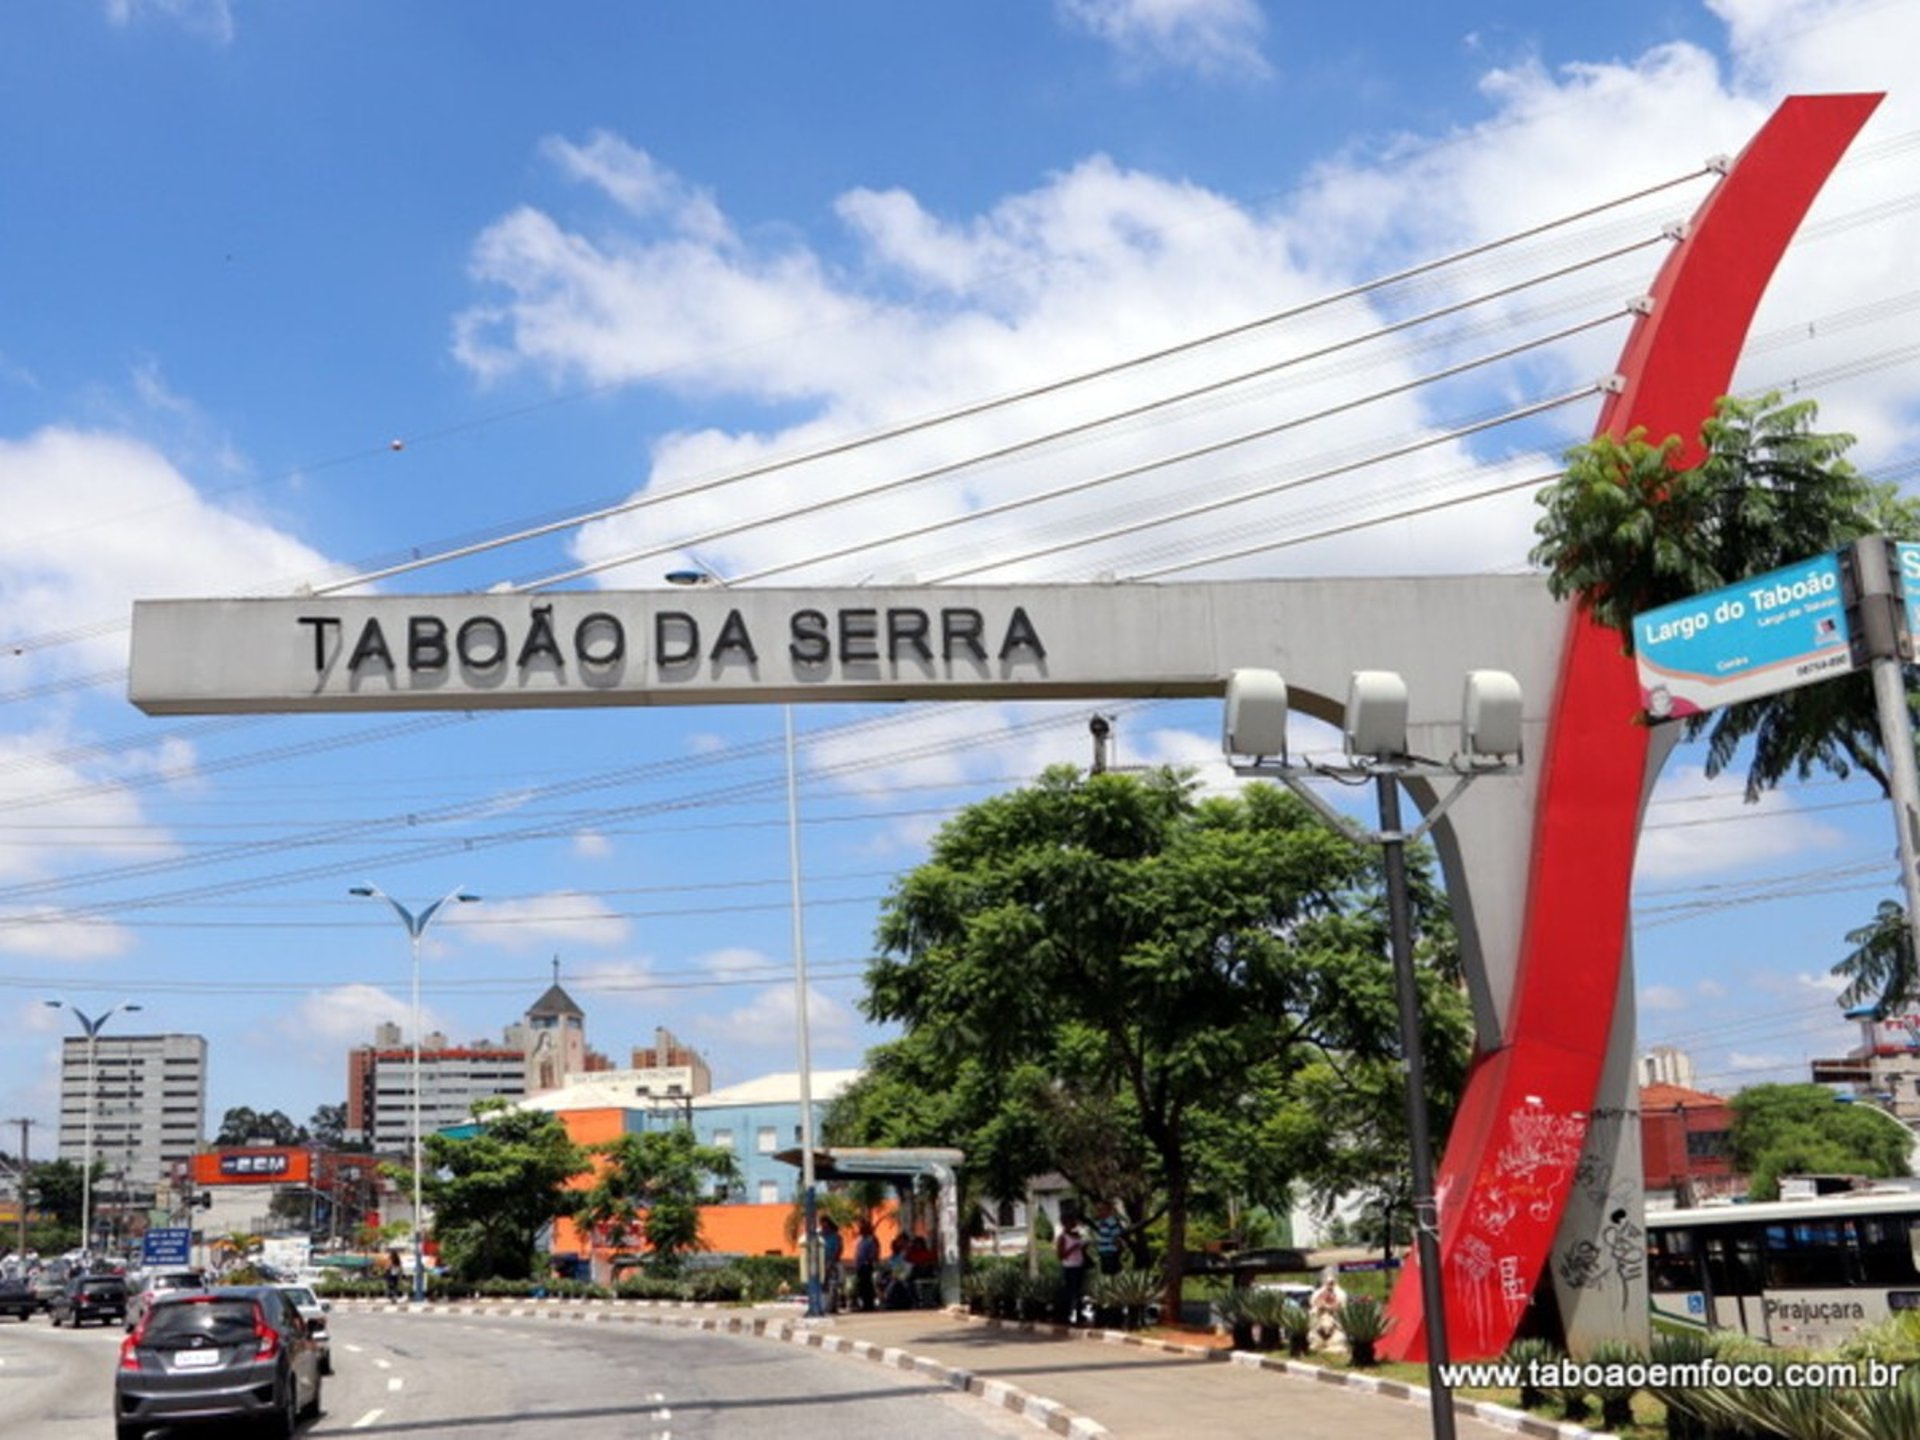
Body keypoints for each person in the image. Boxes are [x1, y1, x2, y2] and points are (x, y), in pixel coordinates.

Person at [1056, 1215, 1089, 1325]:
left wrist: (1083, 1247)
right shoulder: (1062, 1237)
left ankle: (1080, 1315)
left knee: (1080, 1292)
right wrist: (1072, 1248)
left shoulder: (1077, 1235)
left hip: (1079, 1265)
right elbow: (1061, 1255)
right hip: (1070, 1267)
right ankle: (1068, 1315)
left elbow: (1082, 1250)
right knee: (1071, 1292)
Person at [1309, 1268, 1347, 1352]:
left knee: (1337, 1340)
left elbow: (1340, 1306)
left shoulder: (1340, 1294)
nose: (1330, 1284)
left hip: (1334, 1325)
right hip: (1320, 1324)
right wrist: (1323, 1306)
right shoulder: (1319, 1293)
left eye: (1331, 1282)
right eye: (1328, 1282)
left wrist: (1330, 1308)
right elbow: (1315, 1305)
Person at [1090, 1201, 1126, 1277]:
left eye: (1102, 1209)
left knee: (1113, 1273)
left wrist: (1119, 1249)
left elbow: (1116, 1236)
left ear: (1109, 1210)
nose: (1100, 1212)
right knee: (1106, 1273)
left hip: (1110, 1251)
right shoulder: (1101, 1222)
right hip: (1103, 1251)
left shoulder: (1111, 1221)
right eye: (1098, 1210)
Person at [852, 1220, 881, 1312]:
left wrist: (870, 1261)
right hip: (860, 1265)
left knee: (867, 1285)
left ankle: (869, 1304)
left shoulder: (871, 1239)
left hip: (867, 1265)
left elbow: (874, 1252)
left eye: (863, 1228)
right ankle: (864, 1304)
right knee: (862, 1286)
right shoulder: (860, 1240)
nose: (860, 1229)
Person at [817, 1215, 844, 1313]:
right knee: (822, 1285)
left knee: (833, 1285)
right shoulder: (819, 1235)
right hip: (820, 1263)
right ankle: (823, 1306)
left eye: (825, 1224)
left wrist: (831, 1262)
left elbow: (838, 1250)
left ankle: (833, 1307)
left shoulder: (836, 1236)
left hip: (832, 1263)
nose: (823, 1226)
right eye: (821, 1224)